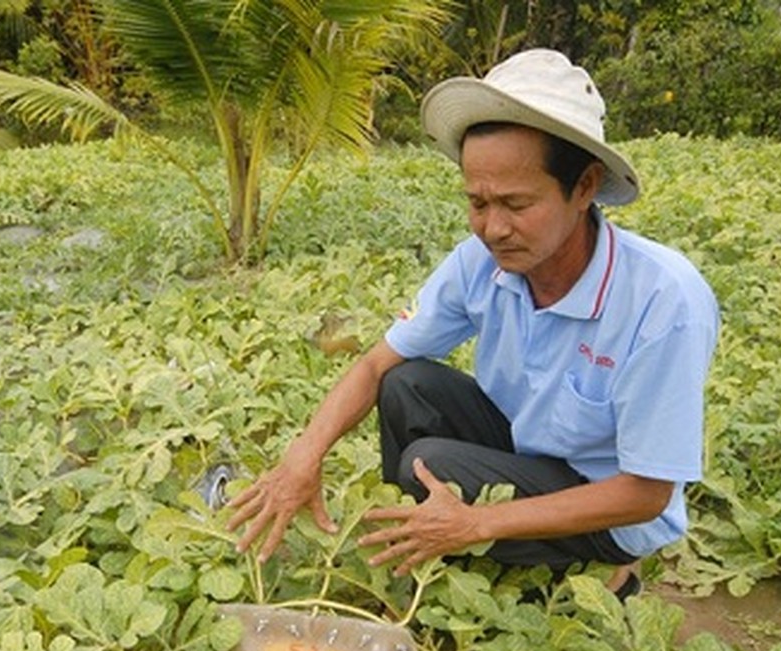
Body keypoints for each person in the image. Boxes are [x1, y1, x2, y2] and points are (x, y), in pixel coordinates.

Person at [228, 49, 719, 598]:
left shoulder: (662, 300)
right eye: (477, 202)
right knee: (406, 382)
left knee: (427, 463)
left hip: (611, 507)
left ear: (584, 187)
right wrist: (304, 455)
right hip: (530, 453)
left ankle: (603, 574)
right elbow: (374, 364)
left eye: (515, 203)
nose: (493, 228)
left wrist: (478, 522)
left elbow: (647, 494)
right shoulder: (478, 262)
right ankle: (439, 537)